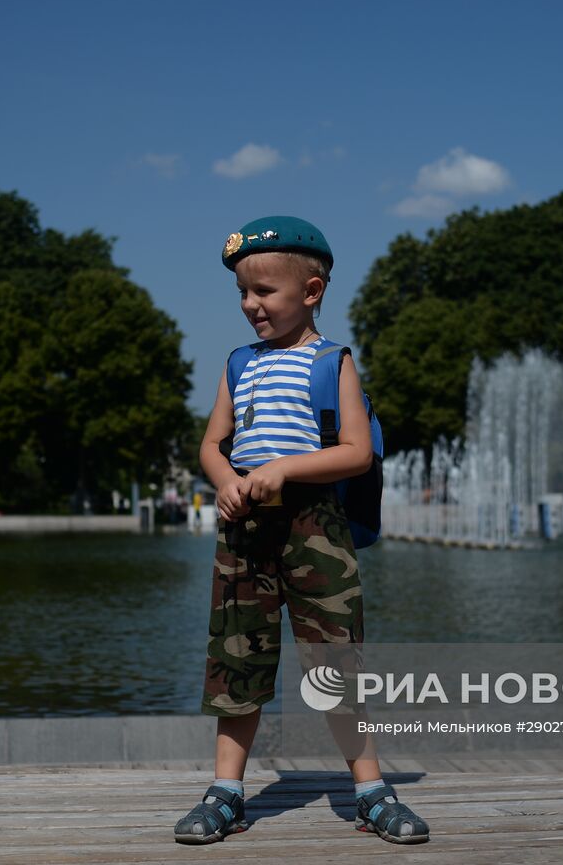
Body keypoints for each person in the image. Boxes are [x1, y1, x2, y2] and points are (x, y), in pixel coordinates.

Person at [173, 216, 429, 846]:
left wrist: (284, 468)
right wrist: (224, 479)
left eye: (264, 291)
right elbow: (211, 444)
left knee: (335, 662)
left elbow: (356, 451)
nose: (250, 305)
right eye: (242, 293)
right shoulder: (238, 365)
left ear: (311, 292)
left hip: (315, 527)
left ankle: (369, 789)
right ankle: (225, 791)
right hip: (245, 529)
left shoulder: (331, 360)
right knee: (237, 660)